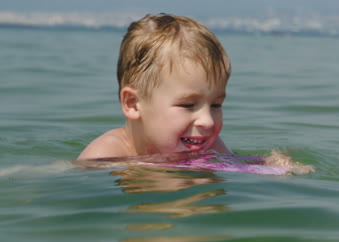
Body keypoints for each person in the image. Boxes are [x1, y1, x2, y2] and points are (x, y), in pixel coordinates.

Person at [78, 13, 231, 160]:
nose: (208, 121)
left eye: (216, 105)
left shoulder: (211, 145)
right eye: (188, 105)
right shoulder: (107, 155)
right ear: (133, 104)